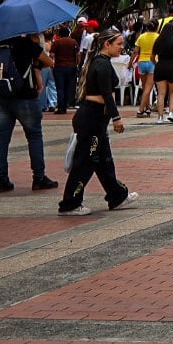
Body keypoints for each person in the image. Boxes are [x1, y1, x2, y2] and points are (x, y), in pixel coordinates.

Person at [58, 28, 138, 216]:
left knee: (104, 161)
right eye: (118, 44)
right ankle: (70, 203)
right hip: (91, 118)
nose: (122, 47)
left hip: (97, 119)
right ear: (106, 44)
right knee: (85, 161)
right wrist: (116, 117)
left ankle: (117, 195)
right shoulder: (101, 64)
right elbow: (106, 94)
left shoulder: (102, 62)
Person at [0, 32, 56, 193]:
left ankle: (1, 180)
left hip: (2, 96)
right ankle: (39, 178)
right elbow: (49, 62)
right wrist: (36, 63)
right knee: (34, 136)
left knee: (2, 138)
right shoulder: (25, 44)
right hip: (25, 97)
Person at [149, 17, 173, 124]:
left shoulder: (157, 41)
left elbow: (152, 57)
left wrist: (156, 64)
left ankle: (160, 117)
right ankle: (171, 113)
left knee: (161, 93)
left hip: (160, 67)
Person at [131, 21, 159, 116]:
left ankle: (147, 108)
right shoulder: (158, 37)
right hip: (152, 62)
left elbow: (135, 51)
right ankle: (140, 110)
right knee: (148, 88)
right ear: (157, 27)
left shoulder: (141, 36)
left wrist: (130, 63)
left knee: (145, 87)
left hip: (141, 62)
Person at [49, 26, 79, 114]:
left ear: (60, 34)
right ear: (68, 33)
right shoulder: (73, 42)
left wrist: (52, 65)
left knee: (60, 88)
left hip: (59, 67)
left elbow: (52, 55)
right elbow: (78, 54)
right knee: (68, 87)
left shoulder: (57, 42)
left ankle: (61, 107)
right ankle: (66, 105)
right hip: (71, 67)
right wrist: (76, 64)